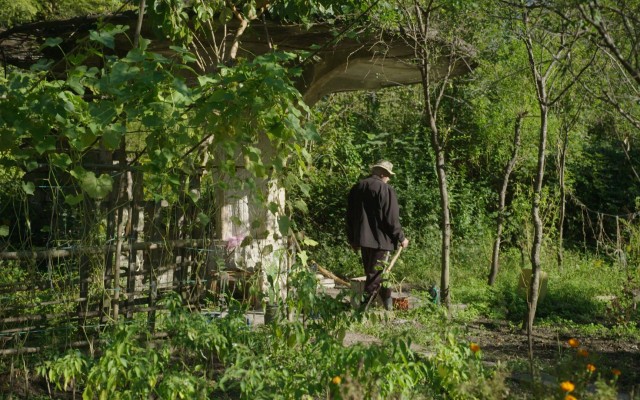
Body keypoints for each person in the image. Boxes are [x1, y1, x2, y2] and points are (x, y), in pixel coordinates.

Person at [346, 160, 409, 310]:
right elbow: (391, 218)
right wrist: (401, 237)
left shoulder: (357, 188)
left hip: (363, 240)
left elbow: (349, 217)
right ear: (382, 174)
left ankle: (388, 307)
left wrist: (352, 239)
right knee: (375, 278)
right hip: (381, 242)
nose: (389, 178)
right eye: (388, 175)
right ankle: (362, 311)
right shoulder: (385, 189)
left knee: (379, 275)